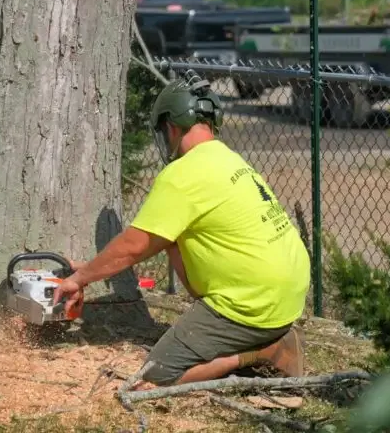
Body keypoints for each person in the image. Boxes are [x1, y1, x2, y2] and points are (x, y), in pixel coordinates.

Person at [53, 71, 310, 386]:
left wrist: (78, 279)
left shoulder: (183, 174)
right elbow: (155, 242)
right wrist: (93, 269)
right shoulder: (227, 159)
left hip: (253, 303)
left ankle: (264, 352)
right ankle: (261, 339)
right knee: (175, 241)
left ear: (171, 126)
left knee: (156, 376)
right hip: (287, 295)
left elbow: (134, 245)